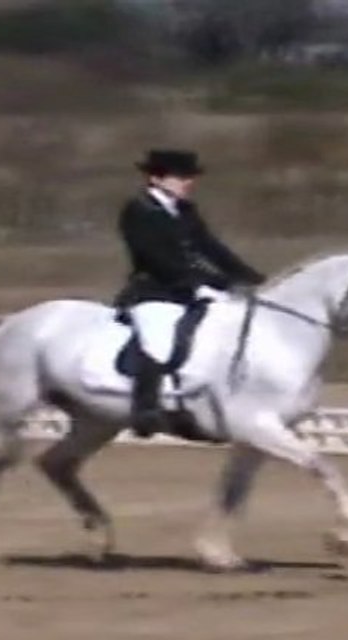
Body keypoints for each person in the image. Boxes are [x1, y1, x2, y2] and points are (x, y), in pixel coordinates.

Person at [115, 149, 266, 437]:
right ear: (156, 179)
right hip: (154, 292)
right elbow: (156, 258)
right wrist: (203, 282)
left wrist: (249, 277)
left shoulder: (185, 210)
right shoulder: (138, 211)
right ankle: (145, 409)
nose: (188, 183)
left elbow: (211, 247)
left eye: (190, 177)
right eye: (181, 177)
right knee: (159, 341)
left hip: (190, 290)